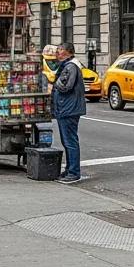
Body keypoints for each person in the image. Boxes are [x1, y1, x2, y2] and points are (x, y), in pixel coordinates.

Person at [51, 44, 87, 184]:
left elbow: (66, 86)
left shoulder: (71, 66)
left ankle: (74, 172)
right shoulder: (68, 65)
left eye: (60, 50)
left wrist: (54, 83)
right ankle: (70, 169)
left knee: (70, 141)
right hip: (66, 108)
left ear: (68, 52)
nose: (57, 52)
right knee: (67, 141)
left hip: (68, 109)